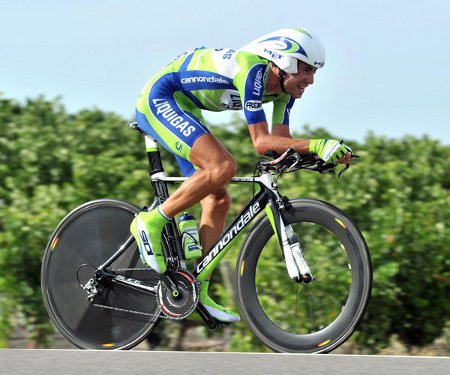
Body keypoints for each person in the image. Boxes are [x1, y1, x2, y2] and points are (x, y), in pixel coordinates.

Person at [130, 28, 353, 323]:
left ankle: (196, 290)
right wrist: (318, 144)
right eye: (307, 69)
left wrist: (319, 156)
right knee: (223, 167)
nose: (311, 80)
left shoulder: (284, 93)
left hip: (187, 107)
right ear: (284, 62)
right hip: (161, 98)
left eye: (314, 72)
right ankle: (151, 221)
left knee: (219, 201)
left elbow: (278, 145)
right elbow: (261, 142)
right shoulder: (253, 71)